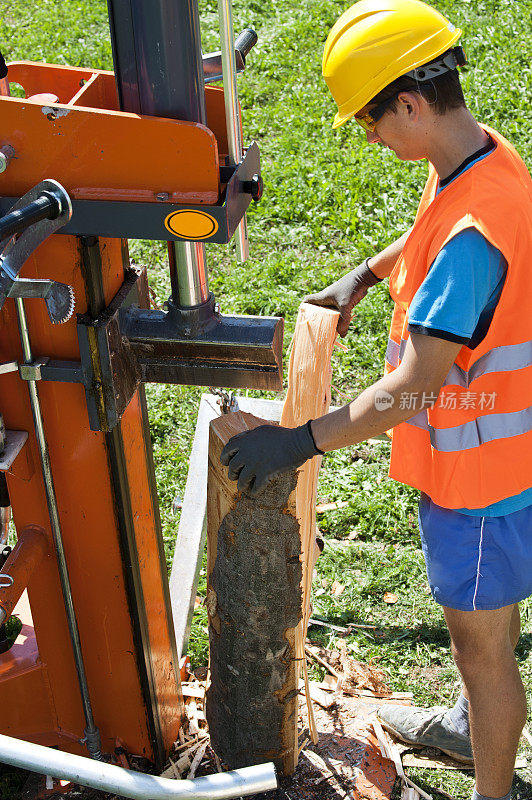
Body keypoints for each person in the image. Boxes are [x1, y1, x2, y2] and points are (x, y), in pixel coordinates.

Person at [219, 1, 532, 797]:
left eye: (369, 120)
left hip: (480, 489)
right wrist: (367, 274)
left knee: (483, 652)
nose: (368, 137)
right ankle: (469, 721)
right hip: (501, 469)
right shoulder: (485, 158)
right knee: (488, 631)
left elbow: (411, 391)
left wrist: (295, 443)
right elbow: (437, 215)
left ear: (411, 103)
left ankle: (491, 779)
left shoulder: (472, 242)